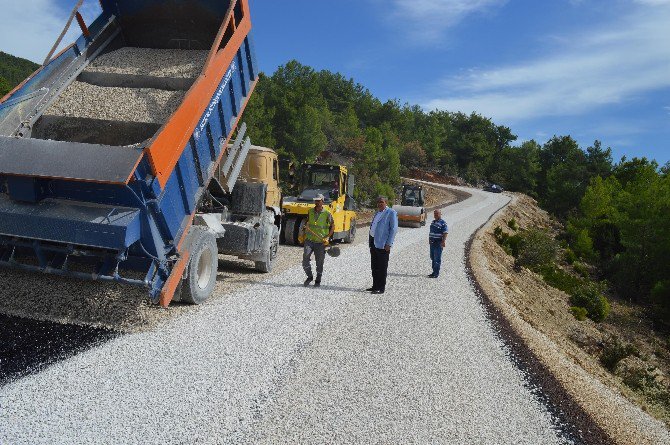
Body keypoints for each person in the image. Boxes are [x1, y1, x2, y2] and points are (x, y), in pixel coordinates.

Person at [367, 196, 398, 294]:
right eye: (378, 202)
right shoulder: (377, 213)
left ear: (386, 203)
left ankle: (381, 288)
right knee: (374, 266)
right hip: (373, 242)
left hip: (383, 244)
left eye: (381, 202)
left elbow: (393, 229)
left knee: (382, 267)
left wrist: (389, 244)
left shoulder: (391, 213)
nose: (379, 204)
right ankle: (375, 286)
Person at [301, 194, 335, 287]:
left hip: (321, 242)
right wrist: (304, 229)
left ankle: (318, 280)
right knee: (305, 259)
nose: (317, 202)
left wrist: (328, 237)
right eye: (316, 200)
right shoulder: (310, 211)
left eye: (319, 200)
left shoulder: (327, 214)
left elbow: (333, 226)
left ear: (322, 201)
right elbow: (307, 222)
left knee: (319, 262)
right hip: (309, 240)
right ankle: (309, 276)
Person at [428, 209, 449, 278]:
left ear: (440, 214)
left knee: (437, 258)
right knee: (432, 257)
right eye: (435, 214)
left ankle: (436, 274)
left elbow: (445, 233)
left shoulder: (443, 223)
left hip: (438, 243)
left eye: (437, 214)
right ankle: (433, 272)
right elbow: (431, 232)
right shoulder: (433, 222)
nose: (436, 215)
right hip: (432, 243)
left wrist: (443, 241)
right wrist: (429, 239)